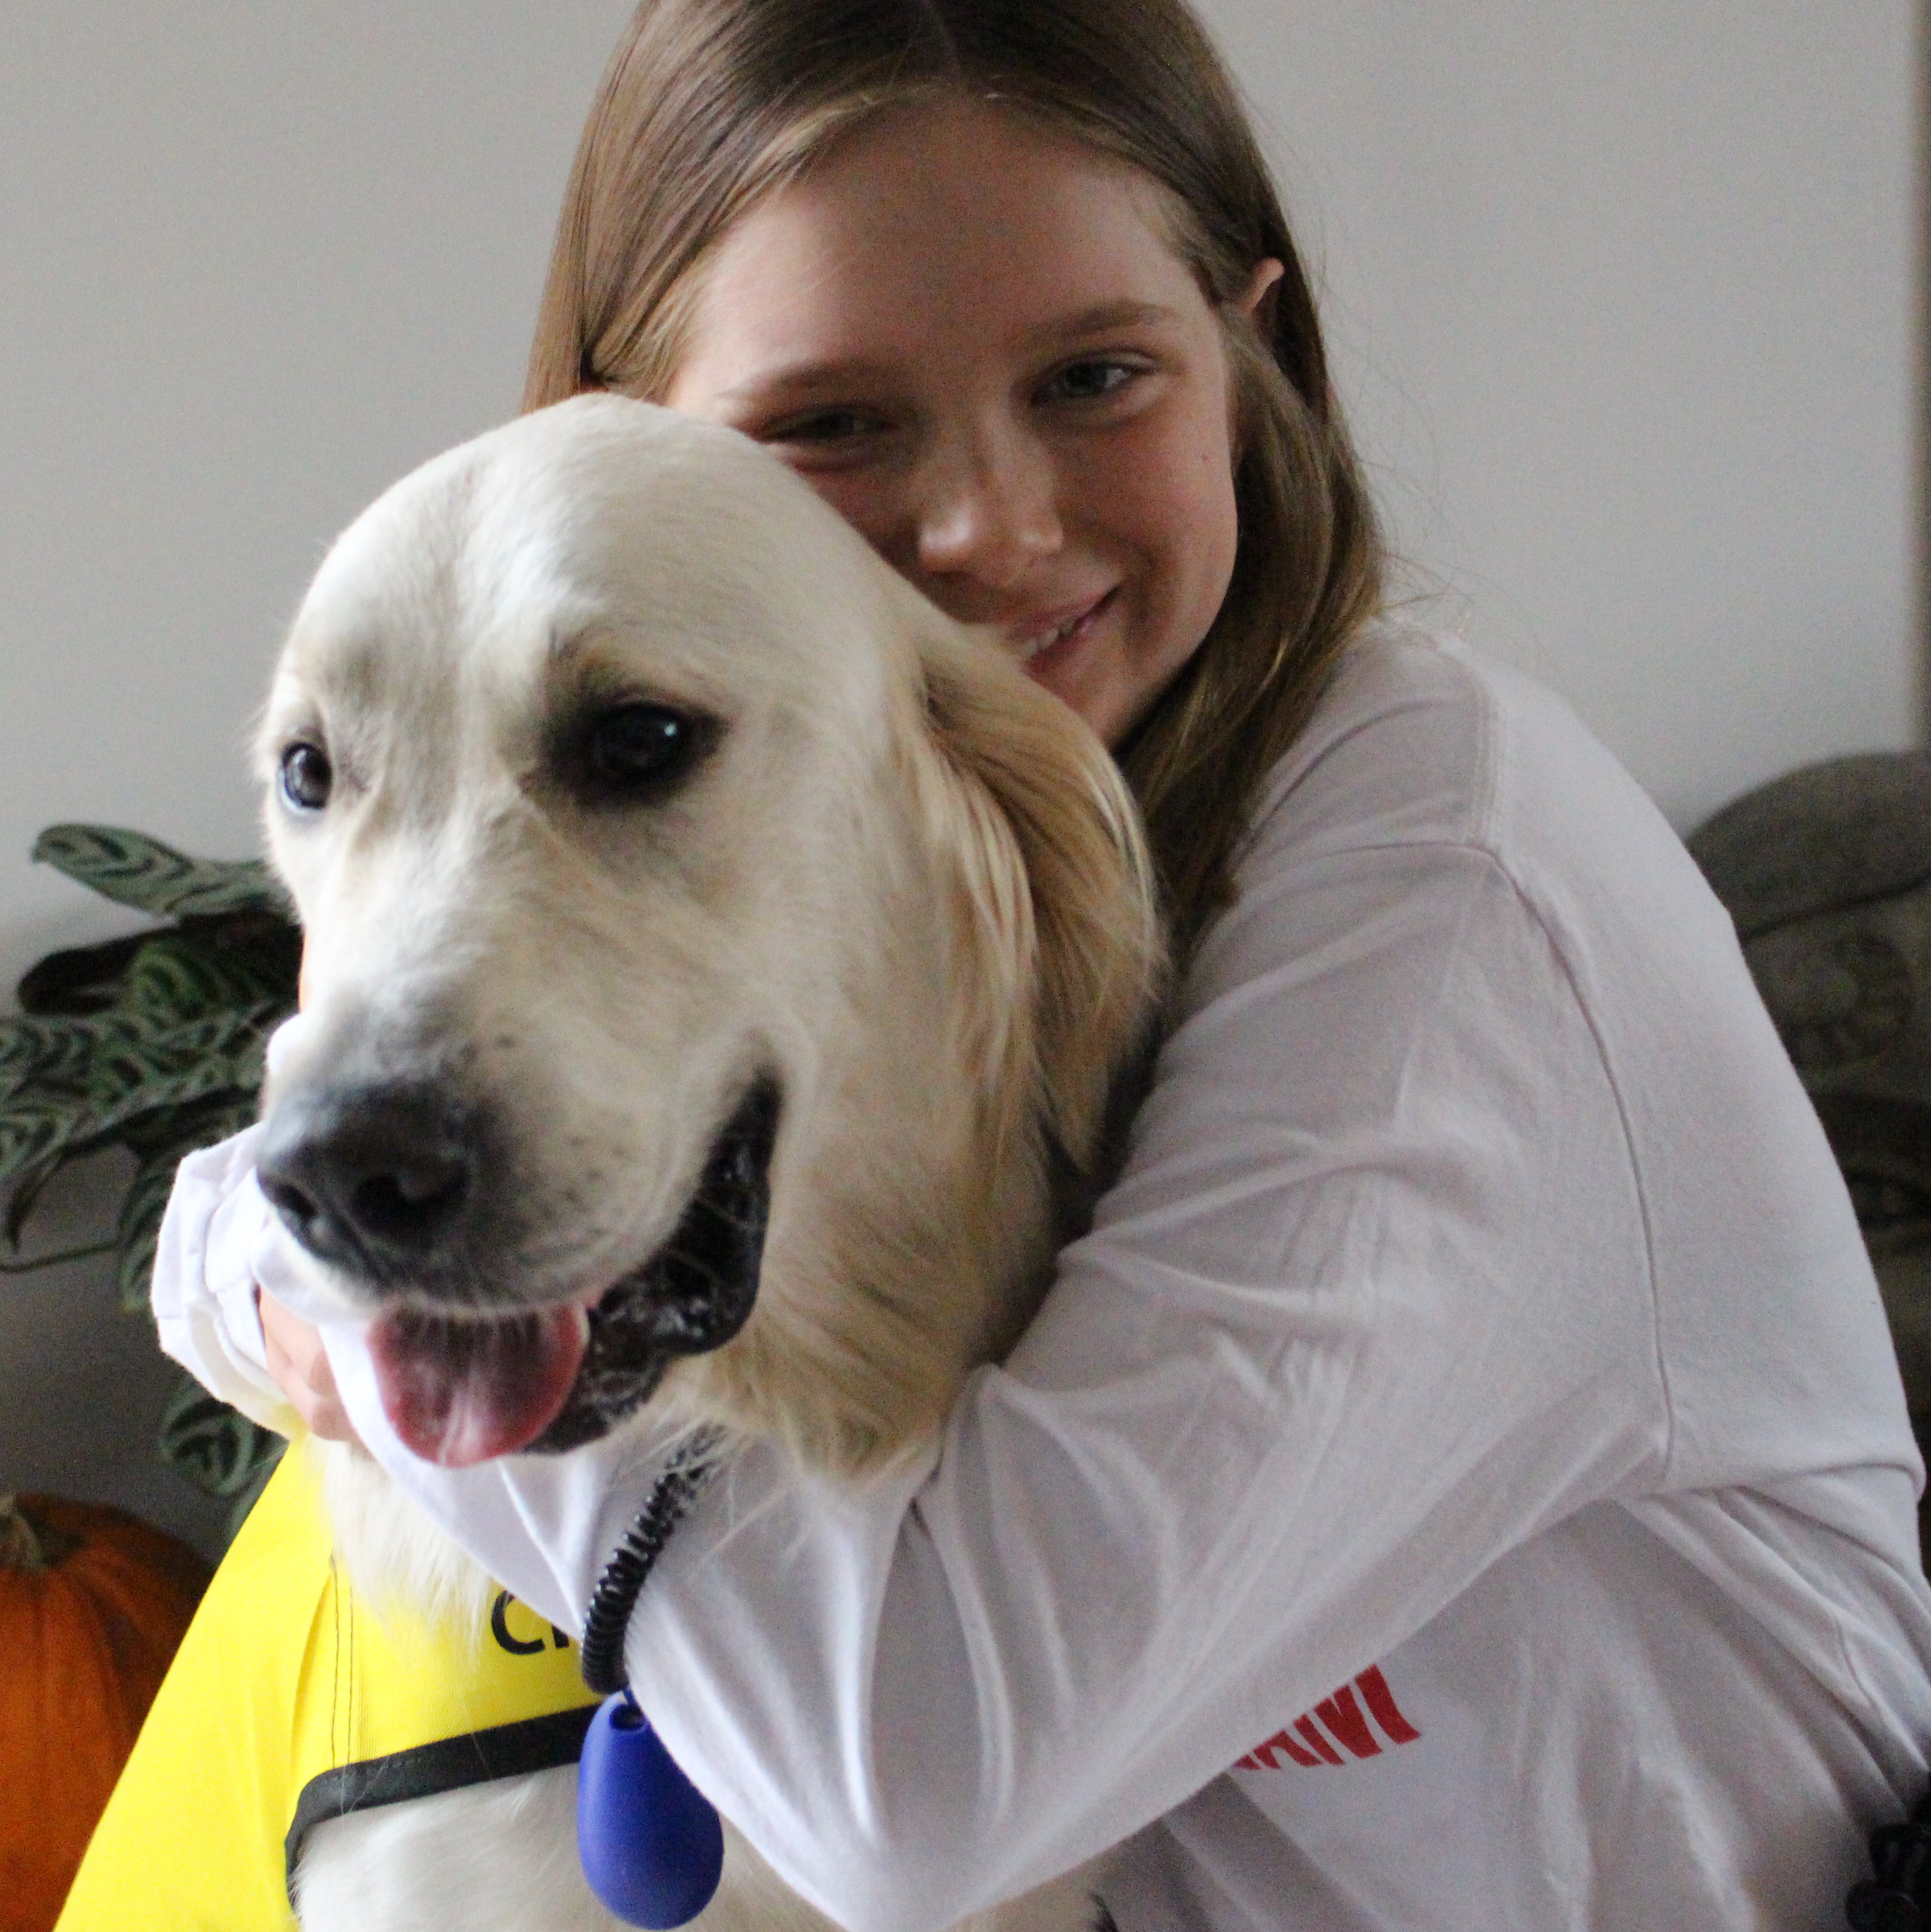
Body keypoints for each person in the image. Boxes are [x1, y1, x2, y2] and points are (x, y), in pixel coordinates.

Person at [152, 2, 1931, 1926]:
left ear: (1249, 350)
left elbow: (921, 1787)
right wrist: (274, 1242)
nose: (987, 528)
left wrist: (340, 1287)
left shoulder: (1444, 864)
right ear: (625, 439)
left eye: (1095, 377)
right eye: (828, 423)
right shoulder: (876, 915)